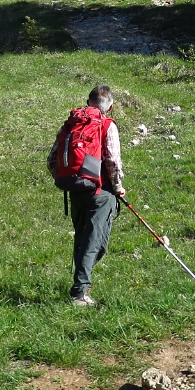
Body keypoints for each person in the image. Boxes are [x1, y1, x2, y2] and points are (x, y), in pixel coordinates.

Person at [48, 84, 126, 307]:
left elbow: (52, 160)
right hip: (101, 192)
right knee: (95, 242)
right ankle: (80, 293)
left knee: (83, 238)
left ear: (89, 102)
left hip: (75, 189)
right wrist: (118, 186)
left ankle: (80, 285)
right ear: (110, 107)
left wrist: (70, 178)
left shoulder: (71, 126)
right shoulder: (106, 125)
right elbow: (112, 160)